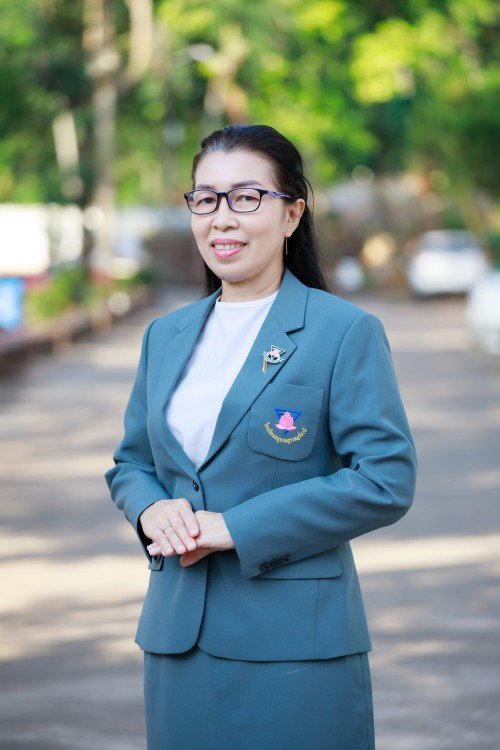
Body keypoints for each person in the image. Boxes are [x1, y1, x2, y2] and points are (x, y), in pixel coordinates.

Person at [104, 123, 417, 750]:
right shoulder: (165, 335)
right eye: (205, 199)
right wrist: (151, 510)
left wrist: (233, 527)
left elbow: (385, 480)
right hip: (178, 641)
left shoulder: (342, 331)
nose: (222, 218)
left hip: (295, 648)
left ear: (292, 214)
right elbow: (132, 463)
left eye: (246, 197)